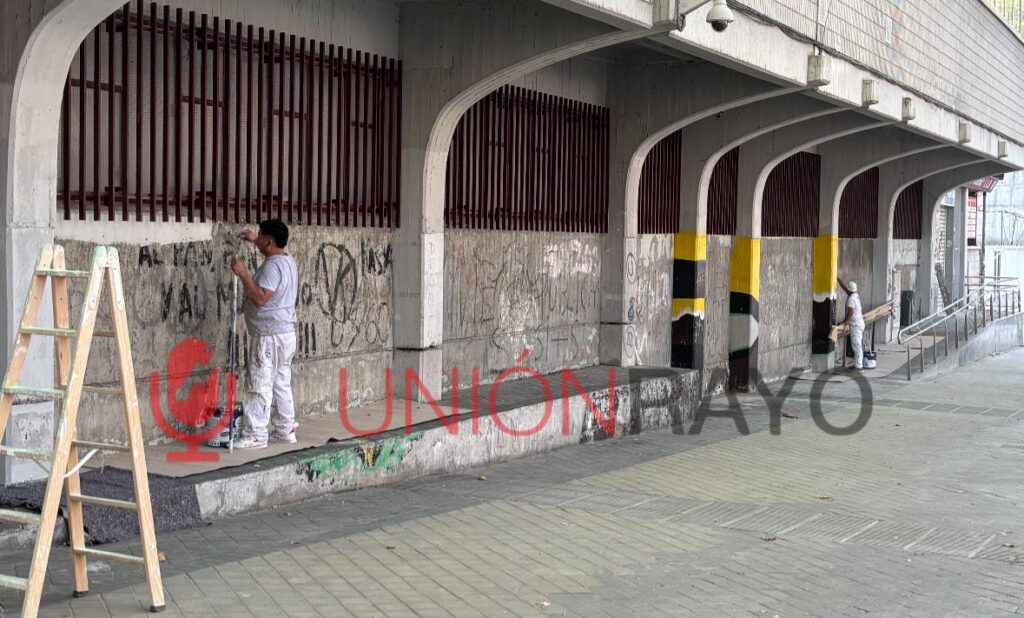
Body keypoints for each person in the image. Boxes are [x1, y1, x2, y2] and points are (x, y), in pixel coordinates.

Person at [230, 219, 300, 449]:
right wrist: (255, 240)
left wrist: (242, 273)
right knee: (281, 381)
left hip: (269, 335)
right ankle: (286, 428)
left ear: (269, 241)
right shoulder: (287, 260)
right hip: (284, 332)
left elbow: (260, 298)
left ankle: (256, 434)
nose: (257, 238)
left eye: (261, 236)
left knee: (260, 382)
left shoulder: (272, 266)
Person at [837, 277, 865, 370]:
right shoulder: (855, 295)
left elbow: (850, 313)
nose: (846, 291)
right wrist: (838, 280)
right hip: (858, 323)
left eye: (847, 290)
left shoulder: (851, 299)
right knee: (856, 345)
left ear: (849, 291)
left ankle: (858, 365)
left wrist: (843, 322)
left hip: (856, 325)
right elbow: (845, 288)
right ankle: (857, 364)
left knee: (857, 345)